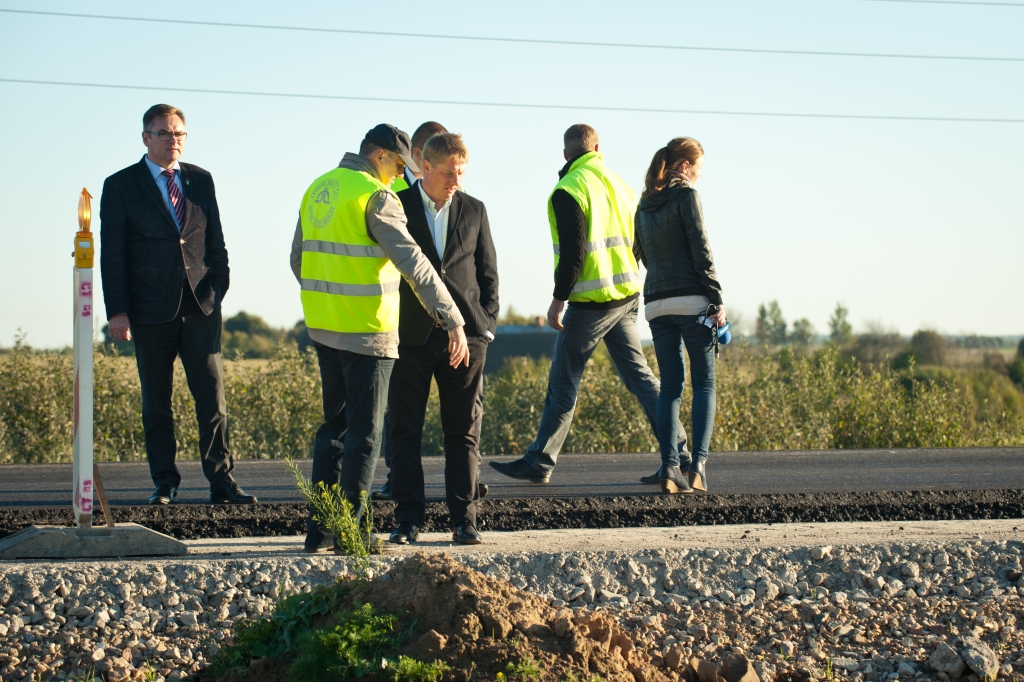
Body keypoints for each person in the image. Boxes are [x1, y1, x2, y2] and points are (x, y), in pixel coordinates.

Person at [289, 124, 467, 553]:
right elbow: (414, 264)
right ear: (382, 157)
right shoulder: (375, 196)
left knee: (333, 429)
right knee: (364, 435)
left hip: (324, 326)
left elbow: (298, 258)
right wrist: (451, 318)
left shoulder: (319, 187)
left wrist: (328, 294)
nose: (401, 178)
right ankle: (350, 534)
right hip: (368, 331)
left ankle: (321, 531)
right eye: (399, 167)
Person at [489, 124, 680, 487]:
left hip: (591, 302)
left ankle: (540, 460)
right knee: (640, 378)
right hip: (627, 295)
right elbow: (641, 242)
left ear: (566, 155)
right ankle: (681, 452)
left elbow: (574, 254)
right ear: (597, 147)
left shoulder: (569, 189)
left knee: (563, 379)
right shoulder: (621, 185)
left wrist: (556, 301)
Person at [100, 104, 257, 506]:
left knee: (213, 400)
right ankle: (165, 483)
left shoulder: (200, 180)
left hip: (201, 305)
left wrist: (218, 287)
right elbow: (112, 253)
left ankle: (222, 481)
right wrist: (117, 310)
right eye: (165, 134)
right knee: (157, 402)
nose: (174, 141)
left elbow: (215, 238)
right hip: (149, 310)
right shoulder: (120, 185)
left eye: (180, 134)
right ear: (146, 138)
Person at [387, 133, 499, 546]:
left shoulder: (475, 209)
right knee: (404, 432)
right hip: (409, 337)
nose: (456, 180)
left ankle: (464, 521)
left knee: (463, 432)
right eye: (449, 172)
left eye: (462, 173)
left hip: (466, 339)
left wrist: (484, 326)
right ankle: (407, 521)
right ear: (426, 168)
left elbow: (488, 274)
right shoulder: (395, 205)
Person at [634, 137, 723, 493]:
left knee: (670, 385)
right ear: (684, 167)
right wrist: (716, 298)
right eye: (698, 170)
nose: (699, 177)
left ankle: (669, 466)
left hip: (656, 303)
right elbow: (701, 249)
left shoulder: (643, 203)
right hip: (692, 300)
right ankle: (697, 465)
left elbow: (639, 253)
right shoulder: (687, 197)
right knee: (704, 383)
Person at [371, 120, 450, 501]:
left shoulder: (453, 196)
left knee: (464, 416)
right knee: (401, 415)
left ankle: (468, 477)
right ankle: (396, 477)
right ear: (419, 156)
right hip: (405, 319)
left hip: (451, 324)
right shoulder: (392, 195)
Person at [389, 121, 448, 193]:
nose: (446, 159)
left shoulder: (452, 187)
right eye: (439, 153)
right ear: (418, 154)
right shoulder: (388, 183)